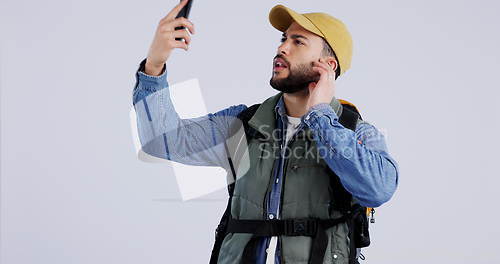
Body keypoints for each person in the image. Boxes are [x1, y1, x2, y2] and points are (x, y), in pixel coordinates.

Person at [132, 1, 399, 263]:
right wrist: (154, 66)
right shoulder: (243, 123)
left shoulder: (357, 131)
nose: (281, 48)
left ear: (328, 65)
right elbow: (161, 141)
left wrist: (320, 117)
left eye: (298, 42)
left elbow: (378, 189)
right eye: (283, 39)